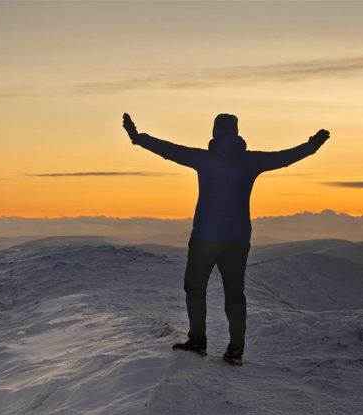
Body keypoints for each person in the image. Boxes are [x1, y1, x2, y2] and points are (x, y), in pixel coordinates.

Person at [123, 112, 329, 365]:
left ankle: (198, 342)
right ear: (236, 132)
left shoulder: (204, 158)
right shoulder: (251, 161)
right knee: (235, 292)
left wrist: (137, 137)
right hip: (238, 238)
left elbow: (169, 150)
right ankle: (235, 349)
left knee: (196, 289)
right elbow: (284, 158)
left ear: (215, 133)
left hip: (205, 237)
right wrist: (311, 146)